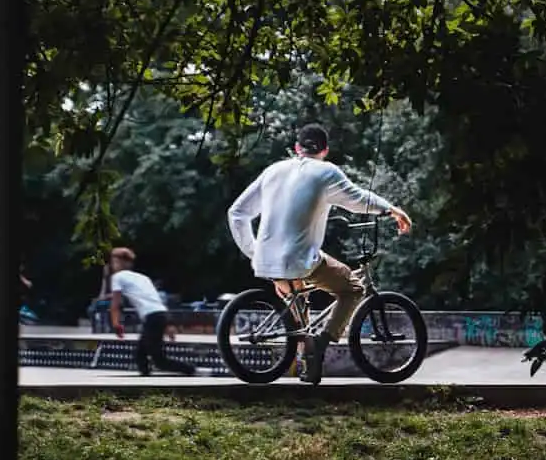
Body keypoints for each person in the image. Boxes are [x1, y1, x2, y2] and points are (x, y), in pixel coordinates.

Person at [226, 123, 412, 384]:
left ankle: (310, 365)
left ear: (296, 148)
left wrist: (253, 251)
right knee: (353, 289)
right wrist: (391, 209)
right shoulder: (326, 172)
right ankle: (322, 343)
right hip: (301, 261)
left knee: (299, 307)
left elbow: (237, 213)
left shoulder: (273, 170)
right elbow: (358, 200)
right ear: (325, 150)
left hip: (266, 262)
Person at [107, 247, 211, 377]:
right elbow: (156, 300)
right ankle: (145, 379)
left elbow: (115, 304)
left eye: (116, 262)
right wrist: (168, 323)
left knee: (159, 360)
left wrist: (116, 324)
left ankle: (193, 370)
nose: (114, 265)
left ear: (125, 263)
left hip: (152, 317)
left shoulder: (117, 277)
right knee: (140, 354)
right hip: (160, 314)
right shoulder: (143, 278)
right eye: (113, 262)